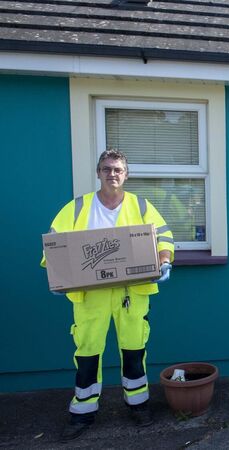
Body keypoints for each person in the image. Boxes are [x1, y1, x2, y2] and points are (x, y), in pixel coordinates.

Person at [41, 149, 174, 442]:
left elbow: (164, 236)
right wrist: (58, 276)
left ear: (126, 175)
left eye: (117, 169)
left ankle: (138, 404)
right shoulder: (77, 208)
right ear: (98, 173)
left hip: (132, 292)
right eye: (106, 169)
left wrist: (164, 260)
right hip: (90, 294)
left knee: (134, 348)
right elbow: (54, 243)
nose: (112, 174)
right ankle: (83, 411)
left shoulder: (141, 205)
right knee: (87, 351)